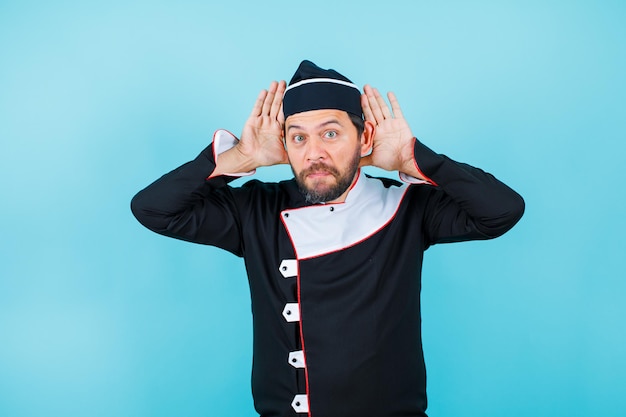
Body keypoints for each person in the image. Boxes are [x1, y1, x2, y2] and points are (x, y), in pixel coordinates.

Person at [131, 60, 525, 417]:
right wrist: (238, 160)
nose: (314, 152)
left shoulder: (407, 206)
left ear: (364, 138)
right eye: (298, 138)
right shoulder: (253, 211)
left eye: (331, 133)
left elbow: (502, 210)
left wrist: (415, 158)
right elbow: (153, 208)